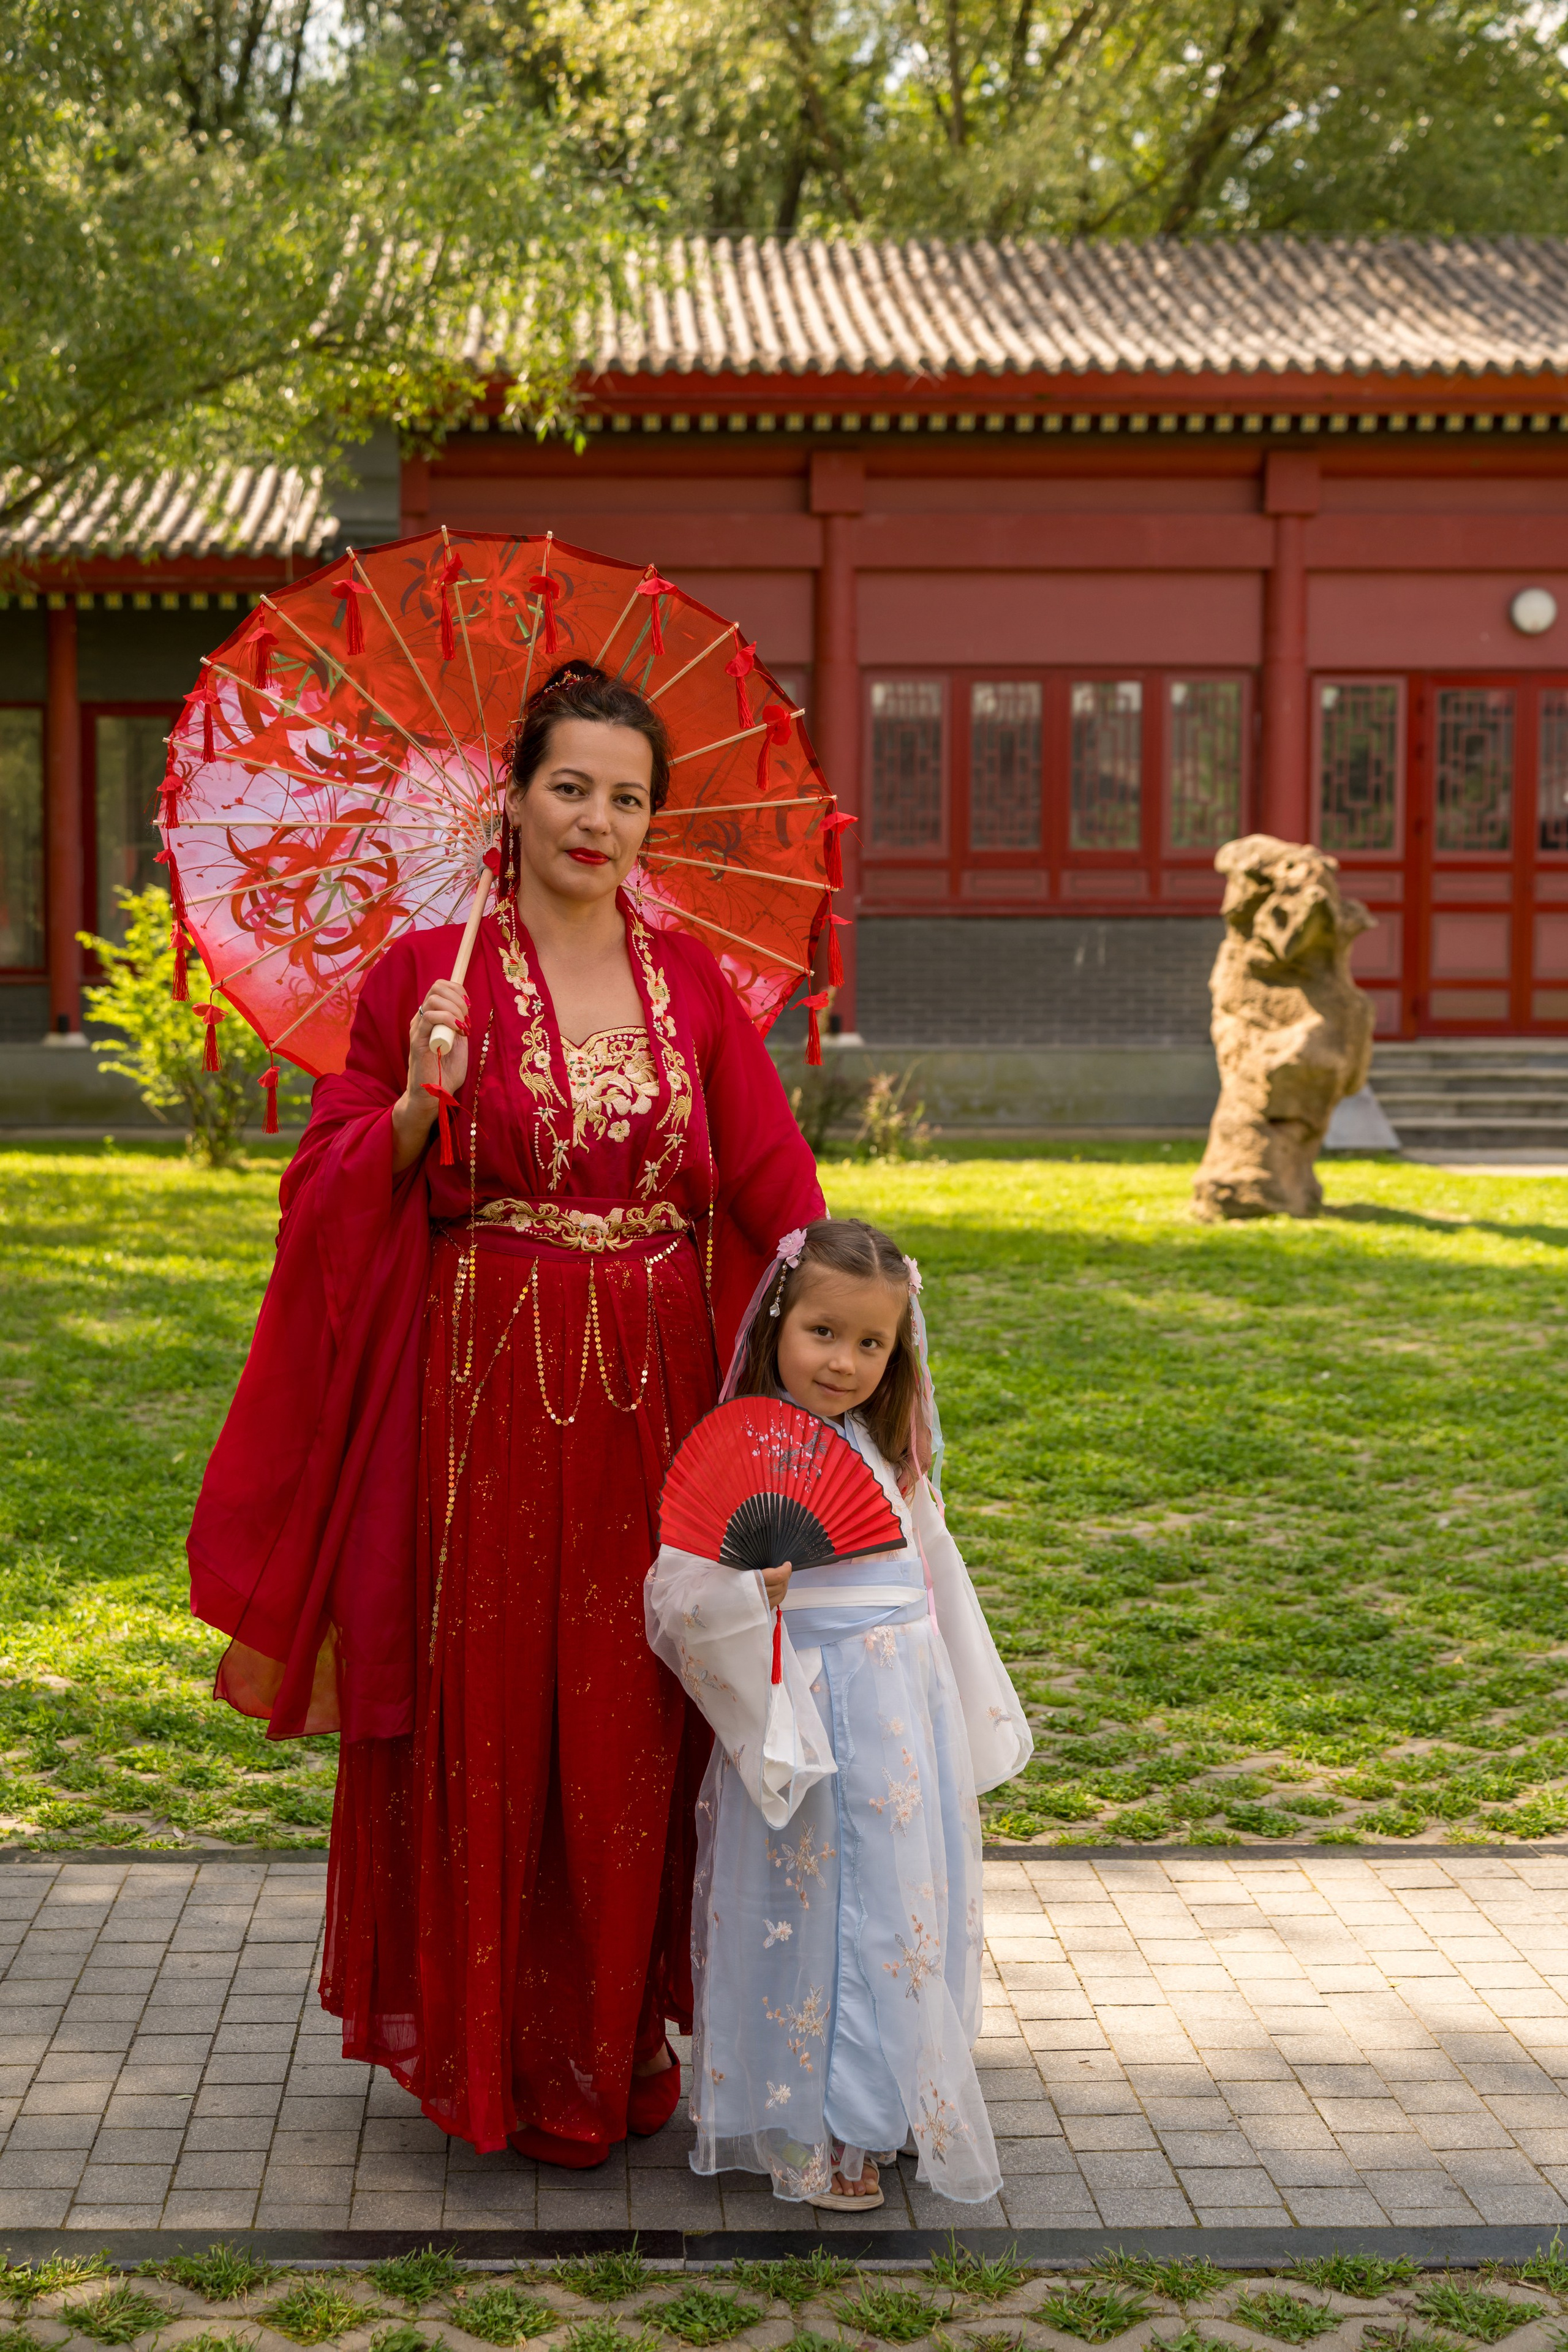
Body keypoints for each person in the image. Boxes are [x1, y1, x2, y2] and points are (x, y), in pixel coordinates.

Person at [187, 658, 825, 2166]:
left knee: (635, 1703)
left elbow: (770, 1186)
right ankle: (497, 2050)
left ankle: (618, 2036)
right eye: (570, 787)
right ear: (514, 798)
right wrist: (418, 1105)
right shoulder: (426, 976)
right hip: (480, 1399)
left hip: (660, 1392)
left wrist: (847, 1348)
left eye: (628, 798)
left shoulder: (689, 987)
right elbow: (326, 1183)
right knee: (494, 1703)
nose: (598, 820)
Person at [644, 1216, 1033, 2211]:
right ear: (779, 1318)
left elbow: (932, 1578)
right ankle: (818, 2122)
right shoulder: (745, 1452)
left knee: (899, 1906)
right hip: (808, 1713)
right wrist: (750, 1596)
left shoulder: (884, 1452)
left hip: (900, 1711)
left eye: (871, 1343)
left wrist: (955, 1706)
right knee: (818, 1913)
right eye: (822, 1332)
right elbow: (677, 1599)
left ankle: (886, 2105)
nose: (844, 1363)